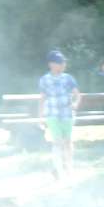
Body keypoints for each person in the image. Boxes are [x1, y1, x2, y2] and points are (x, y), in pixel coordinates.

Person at [37, 49, 81, 182]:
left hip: (67, 114)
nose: (63, 65)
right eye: (59, 62)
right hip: (52, 115)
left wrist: (76, 103)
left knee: (67, 142)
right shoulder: (44, 79)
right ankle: (58, 170)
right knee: (57, 142)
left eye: (63, 62)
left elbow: (78, 95)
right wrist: (40, 117)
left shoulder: (68, 78)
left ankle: (69, 167)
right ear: (51, 64)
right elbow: (42, 98)